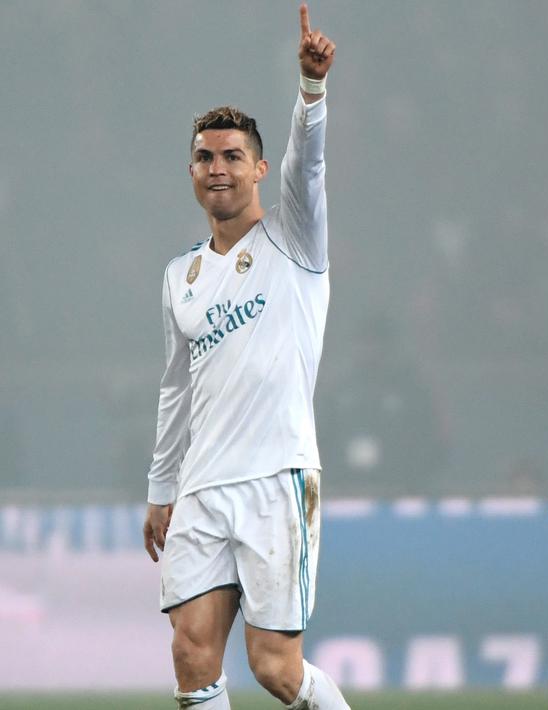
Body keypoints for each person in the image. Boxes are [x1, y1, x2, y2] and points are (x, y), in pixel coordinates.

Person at [142, 6, 349, 709]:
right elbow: (177, 389)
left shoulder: (295, 238)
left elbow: (309, 160)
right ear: (190, 170)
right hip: (202, 485)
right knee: (191, 653)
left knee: (276, 670)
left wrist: (310, 90)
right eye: (205, 156)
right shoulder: (181, 275)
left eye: (232, 156)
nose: (218, 168)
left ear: (259, 167)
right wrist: (161, 486)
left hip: (274, 476)